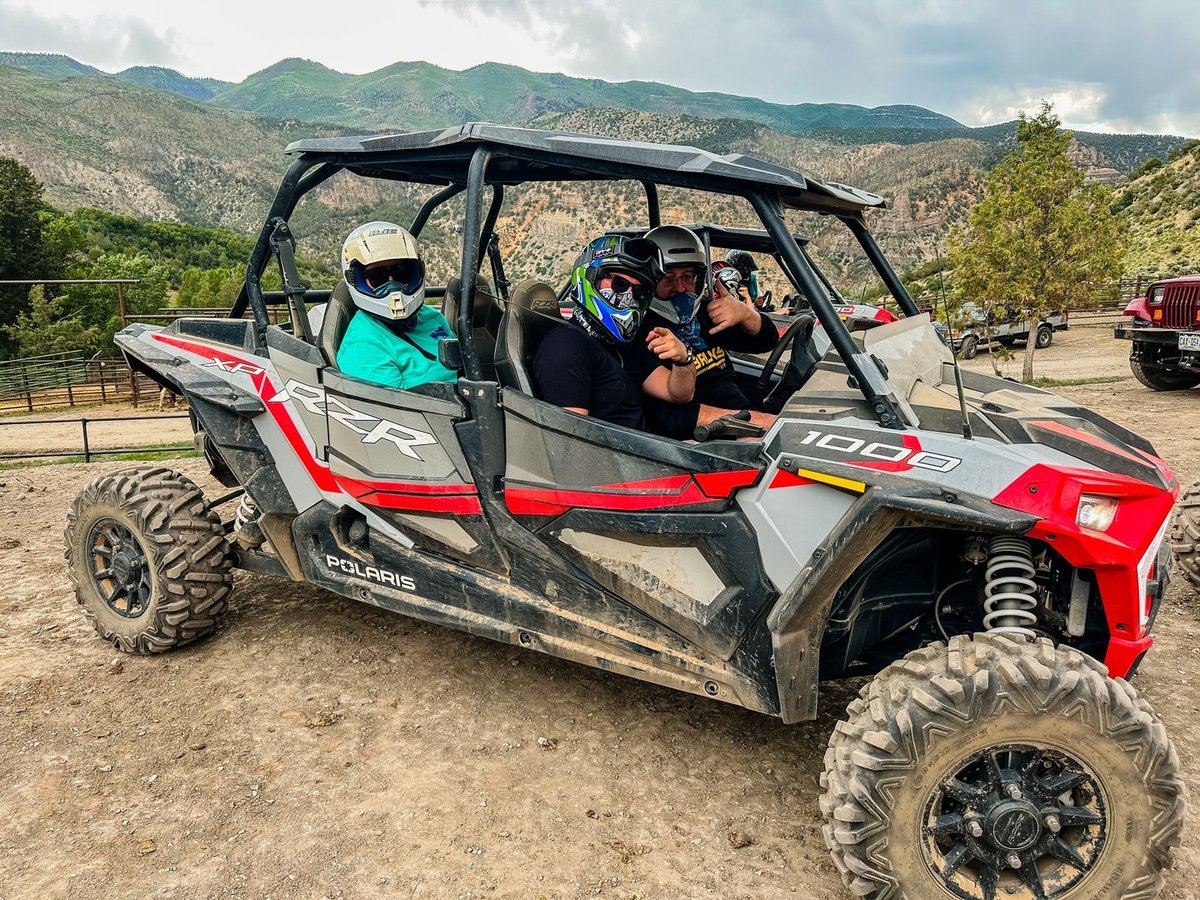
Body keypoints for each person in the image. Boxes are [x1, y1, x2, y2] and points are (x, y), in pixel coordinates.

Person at [532, 235, 694, 429]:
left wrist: (683, 359)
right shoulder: (566, 347)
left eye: (639, 291)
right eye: (619, 284)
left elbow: (678, 394)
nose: (628, 296)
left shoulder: (620, 345)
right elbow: (569, 442)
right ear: (591, 278)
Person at [640, 226, 779, 439]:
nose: (681, 288)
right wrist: (756, 421)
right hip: (706, 436)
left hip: (743, 416)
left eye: (688, 276)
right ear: (652, 278)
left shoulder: (705, 312)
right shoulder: (644, 330)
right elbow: (670, 415)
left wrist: (746, 314)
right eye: (669, 277)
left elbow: (765, 342)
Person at [335, 221, 458, 390]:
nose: (392, 285)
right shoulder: (364, 347)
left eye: (401, 271)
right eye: (377, 275)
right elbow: (399, 412)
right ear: (358, 281)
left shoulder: (433, 317)